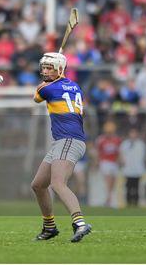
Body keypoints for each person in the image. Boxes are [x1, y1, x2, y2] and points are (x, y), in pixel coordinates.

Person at [30, 52, 92, 243]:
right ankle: (49, 227)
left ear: (60, 69)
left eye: (50, 68)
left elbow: (37, 98)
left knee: (57, 183)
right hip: (65, 141)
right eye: (44, 67)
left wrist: (46, 84)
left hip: (68, 139)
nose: (45, 71)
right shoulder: (75, 86)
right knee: (39, 184)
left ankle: (80, 223)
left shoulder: (47, 89)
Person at [95, 120, 121, 207]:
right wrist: (97, 162)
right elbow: (98, 152)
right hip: (105, 162)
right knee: (108, 181)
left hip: (114, 163)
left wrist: (120, 161)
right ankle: (109, 201)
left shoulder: (117, 140)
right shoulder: (101, 140)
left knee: (113, 182)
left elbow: (119, 152)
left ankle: (108, 199)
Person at [119, 128, 146, 207]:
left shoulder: (141, 144)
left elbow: (143, 156)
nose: (133, 135)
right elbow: (121, 155)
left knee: (136, 188)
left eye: (134, 133)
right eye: (131, 133)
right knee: (128, 188)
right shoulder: (125, 144)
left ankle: (136, 203)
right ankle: (128, 203)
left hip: (138, 169)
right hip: (128, 170)